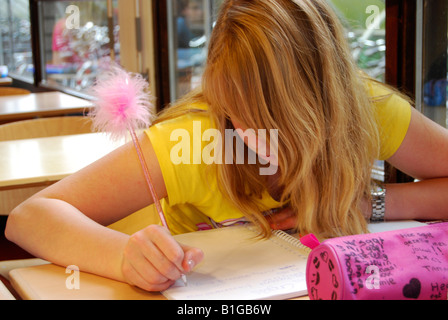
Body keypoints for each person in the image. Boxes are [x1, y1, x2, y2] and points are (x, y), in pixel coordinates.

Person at [5, 0, 448, 293]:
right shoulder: (198, 141)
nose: (254, 137)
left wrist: (369, 201)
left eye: (278, 119)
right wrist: (123, 257)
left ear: (327, 105)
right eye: (238, 114)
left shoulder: (368, 110)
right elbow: (30, 219)